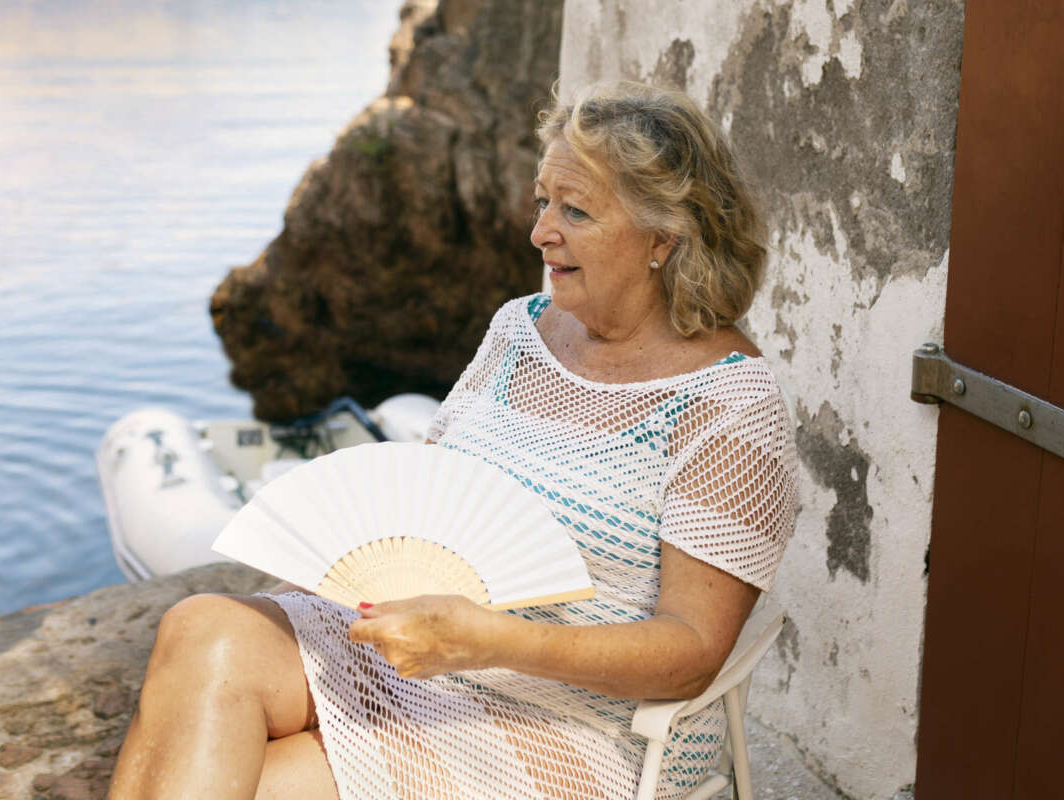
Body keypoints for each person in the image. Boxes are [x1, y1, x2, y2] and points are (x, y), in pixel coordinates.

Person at [108, 80, 798, 800]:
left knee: (255, 785)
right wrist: (311, 577)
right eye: (542, 202)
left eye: (576, 211)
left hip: (582, 722)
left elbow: (692, 650)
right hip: (433, 649)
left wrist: (487, 642)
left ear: (663, 238)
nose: (540, 233)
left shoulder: (727, 406)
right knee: (204, 630)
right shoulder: (520, 330)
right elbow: (426, 502)